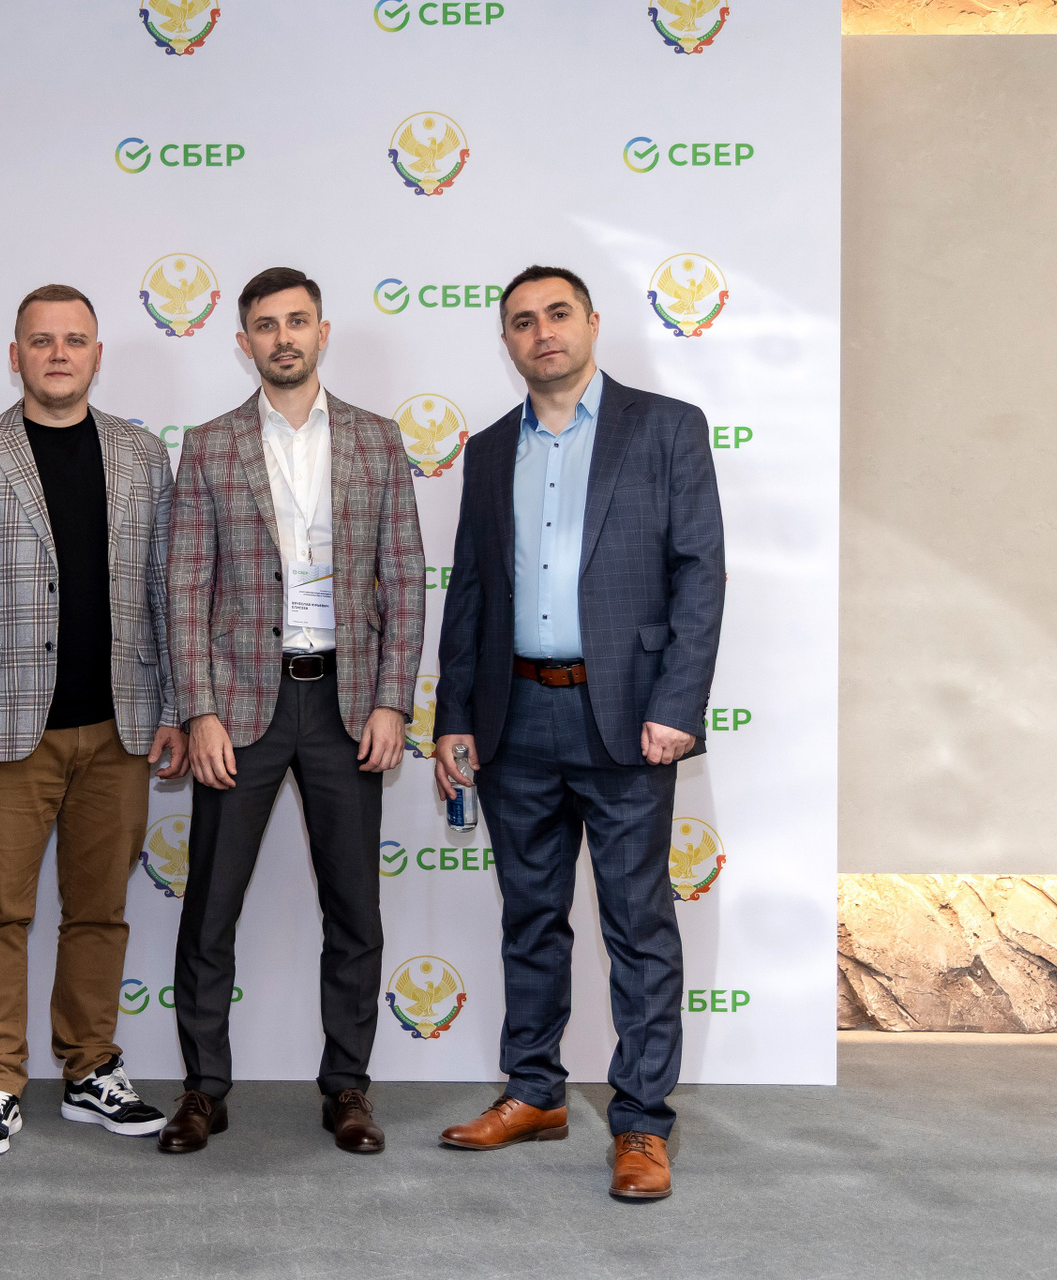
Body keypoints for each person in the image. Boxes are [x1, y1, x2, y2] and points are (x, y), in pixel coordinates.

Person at [431, 265, 725, 1200]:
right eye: (522, 321)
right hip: (514, 716)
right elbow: (470, 590)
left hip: (627, 718)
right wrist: (453, 717)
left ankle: (641, 1123)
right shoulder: (487, 450)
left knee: (638, 924)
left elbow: (700, 573)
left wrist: (678, 704)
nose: (542, 332)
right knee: (530, 917)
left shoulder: (666, 427)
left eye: (558, 314)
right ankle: (534, 1092)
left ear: (592, 323)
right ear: (507, 342)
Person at [0, 284, 188, 1157]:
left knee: (100, 910)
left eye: (74, 340)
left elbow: (167, 591)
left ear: (97, 355)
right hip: (0, 732)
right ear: (15, 355)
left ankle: (90, 1068)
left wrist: (174, 706)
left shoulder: (142, 455)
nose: (58, 353)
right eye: (41, 340)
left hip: (120, 727)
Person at [160, 267, 426, 1156]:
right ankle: (203, 1089)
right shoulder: (209, 445)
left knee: (354, 911)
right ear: (244, 343)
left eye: (298, 321)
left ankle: (347, 1087)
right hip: (242, 706)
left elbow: (403, 579)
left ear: (322, 332)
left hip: (347, 705)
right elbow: (185, 586)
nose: (284, 338)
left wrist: (392, 700)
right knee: (210, 910)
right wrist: (198, 709)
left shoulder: (378, 440)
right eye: (266, 326)